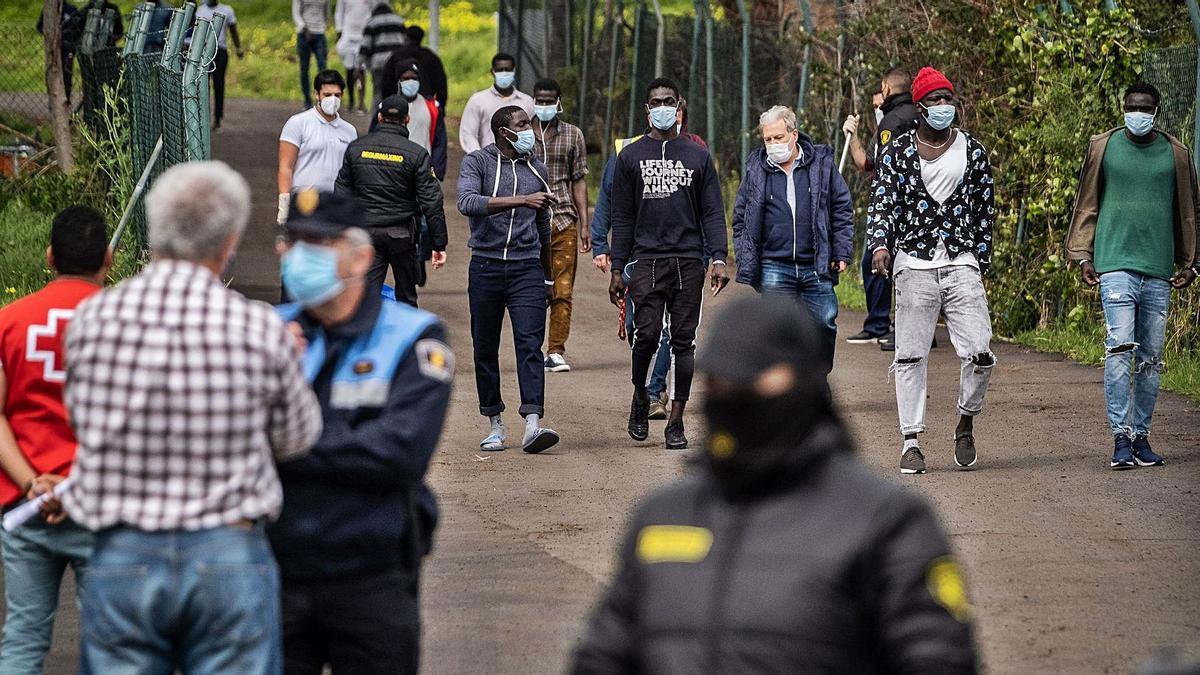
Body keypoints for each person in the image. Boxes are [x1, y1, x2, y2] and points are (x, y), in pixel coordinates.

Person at [571, 296, 979, 674]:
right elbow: (601, 657)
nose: (733, 396)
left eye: (754, 381)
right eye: (720, 382)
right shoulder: (660, 517)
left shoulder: (886, 525)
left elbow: (940, 659)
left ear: (806, 384)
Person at [46, 162, 323, 672]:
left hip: (121, 549)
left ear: (154, 232)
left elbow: (82, 421)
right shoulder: (258, 326)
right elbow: (296, 437)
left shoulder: (94, 319)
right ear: (230, 241)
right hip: (228, 551)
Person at [270, 190, 453, 674]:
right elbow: (220, 437)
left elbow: (398, 454)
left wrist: (284, 442)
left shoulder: (414, 337)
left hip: (371, 575)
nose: (299, 255)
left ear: (361, 257)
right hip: (274, 571)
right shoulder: (264, 332)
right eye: (293, 242)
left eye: (318, 243)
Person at [867, 66, 996, 475]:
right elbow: (882, 202)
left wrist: (980, 259)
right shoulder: (898, 151)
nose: (944, 107)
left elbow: (985, 211)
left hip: (960, 262)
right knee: (909, 355)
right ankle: (911, 441)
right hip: (914, 263)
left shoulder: (972, 151)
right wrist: (881, 246)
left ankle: (965, 421)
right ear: (919, 107)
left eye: (948, 99)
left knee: (980, 351)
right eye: (935, 100)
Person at [1065, 82, 1200, 470]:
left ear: (1156, 112)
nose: (1136, 113)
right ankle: (1120, 438)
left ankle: (1141, 437)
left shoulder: (1175, 154)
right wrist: (1083, 256)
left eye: (1144, 107)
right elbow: (1086, 202)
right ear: (1123, 108)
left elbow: (1191, 210)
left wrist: (1192, 263)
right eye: (1131, 106)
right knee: (1120, 347)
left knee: (1151, 358)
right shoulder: (1103, 146)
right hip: (1114, 265)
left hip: (1158, 270)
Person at [0, 206, 109, 674]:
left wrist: (32, 484)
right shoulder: (123, 323)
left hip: (25, 504)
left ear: (49, 257)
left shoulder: (10, 320)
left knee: (23, 638)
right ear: (108, 257)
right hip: (100, 503)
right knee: (111, 643)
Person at [609, 77, 729, 450]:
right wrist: (617, 267)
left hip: (688, 260)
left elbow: (712, 210)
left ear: (679, 106)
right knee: (645, 336)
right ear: (647, 110)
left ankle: (676, 420)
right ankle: (641, 395)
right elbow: (623, 216)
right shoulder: (630, 156)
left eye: (668, 101)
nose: (662, 107)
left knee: (684, 341)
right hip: (646, 260)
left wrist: (719, 257)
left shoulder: (696, 155)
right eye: (655, 101)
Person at [456, 106, 560, 454]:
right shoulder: (478, 163)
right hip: (485, 267)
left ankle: (532, 423)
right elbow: (467, 202)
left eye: (529, 123)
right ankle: (495, 424)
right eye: (522, 124)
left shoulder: (537, 169)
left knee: (530, 345)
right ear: (503, 131)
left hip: (526, 270)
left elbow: (544, 228)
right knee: (484, 346)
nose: (530, 128)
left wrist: (548, 278)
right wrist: (522, 201)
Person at [733, 105, 854, 373]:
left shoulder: (821, 165)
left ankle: (817, 379)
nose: (773, 144)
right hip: (775, 264)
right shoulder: (756, 170)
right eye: (767, 139)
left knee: (824, 322)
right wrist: (744, 256)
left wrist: (841, 252)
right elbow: (740, 216)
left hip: (815, 262)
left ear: (794, 134)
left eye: (778, 137)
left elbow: (842, 208)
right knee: (778, 331)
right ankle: (788, 391)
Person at [335, 95, 448, 307]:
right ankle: (406, 337)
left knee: (364, 297)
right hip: (401, 235)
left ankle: (365, 337)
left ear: (379, 117)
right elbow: (431, 201)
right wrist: (438, 243)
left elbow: (341, 193)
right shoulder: (416, 154)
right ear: (407, 120)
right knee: (406, 297)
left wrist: (341, 233)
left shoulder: (356, 149)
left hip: (366, 234)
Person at [591, 134, 673, 420]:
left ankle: (654, 390)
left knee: (667, 328)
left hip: (671, 256)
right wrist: (600, 244)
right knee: (639, 329)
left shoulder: (689, 151)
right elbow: (606, 198)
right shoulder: (625, 151)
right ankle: (643, 383)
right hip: (633, 257)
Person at [844, 68, 920, 351]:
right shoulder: (919, 115)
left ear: (887, 88)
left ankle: (886, 327)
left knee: (881, 264)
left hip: (895, 209)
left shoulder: (892, 122)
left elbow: (876, 167)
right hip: (921, 208)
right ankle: (903, 328)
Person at [530, 78, 590, 373]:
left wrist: (585, 225)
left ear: (558, 102)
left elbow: (578, 179)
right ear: (533, 100)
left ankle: (555, 350)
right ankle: (530, 348)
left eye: (549, 101)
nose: (544, 106)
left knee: (562, 289)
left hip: (563, 218)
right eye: (539, 101)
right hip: (528, 223)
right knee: (531, 288)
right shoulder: (522, 133)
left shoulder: (573, 135)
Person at [277, 70, 358, 226]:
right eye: (327, 95)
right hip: (305, 201)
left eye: (337, 95)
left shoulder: (349, 131)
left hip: (335, 204)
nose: (333, 100)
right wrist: (284, 203)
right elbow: (285, 166)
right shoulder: (298, 123)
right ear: (317, 94)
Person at [379, 59, 448, 180]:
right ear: (398, 81)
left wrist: (437, 171)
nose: (410, 81)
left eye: (414, 78)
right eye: (406, 78)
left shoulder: (432, 107)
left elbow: (440, 141)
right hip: (392, 171)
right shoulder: (385, 108)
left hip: (422, 170)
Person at [459, 53, 533, 154]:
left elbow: (533, 132)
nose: (504, 73)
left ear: (514, 71)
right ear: (492, 71)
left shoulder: (527, 101)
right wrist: (480, 158)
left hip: (520, 161)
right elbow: (468, 133)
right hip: (487, 161)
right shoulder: (477, 101)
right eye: (500, 70)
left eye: (508, 69)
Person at [192, 0, 244, 131]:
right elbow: (195, 31)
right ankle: (204, 116)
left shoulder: (227, 10)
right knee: (204, 85)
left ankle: (218, 118)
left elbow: (233, 31)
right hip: (203, 50)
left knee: (219, 84)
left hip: (220, 50)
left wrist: (238, 48)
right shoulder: (200, 10)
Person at [383, 25, 448, 112]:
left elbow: (386, 83)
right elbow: (441, 85)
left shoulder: (396, 56)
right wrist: (440, 108)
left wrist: (388, 104)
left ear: (406, 37)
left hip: (398, 106)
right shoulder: (430, 57)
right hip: (426, 106)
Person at [358, 0, 407, 108]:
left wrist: (359, 65)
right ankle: (399, 116)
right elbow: (405, 42)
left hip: (379, 64)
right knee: (398, 91)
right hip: (398, 63)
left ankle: (377, 119)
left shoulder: (372, 23)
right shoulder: (399, 21)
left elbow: (365, 46)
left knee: (378, 92)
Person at [36, 1, 84, 102]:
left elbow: (80, 29)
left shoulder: (71, 10)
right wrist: (52, 35)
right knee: (52, 75)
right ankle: (53, 102)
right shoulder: (48, 10)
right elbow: (40, 27)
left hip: (68, 50)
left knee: (66, 77)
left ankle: (66, 101)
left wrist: (72, 41)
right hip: (53, 50)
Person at [334, 0, 372, 113]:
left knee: (361, 72)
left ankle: (361, 102)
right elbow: (339, 12)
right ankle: (351, 100)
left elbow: (372, 11)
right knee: (350, 71)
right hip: (348, 35)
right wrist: (339, 30)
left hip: (363, 36)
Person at [293, 0, 331, 109]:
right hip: (304, 33)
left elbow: (326, 12)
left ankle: (323, 98)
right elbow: (296, 12)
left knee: (322, 66)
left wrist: (323, 26)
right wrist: (303, 27)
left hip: (319, 32)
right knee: (304, 68)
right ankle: (307, 100)